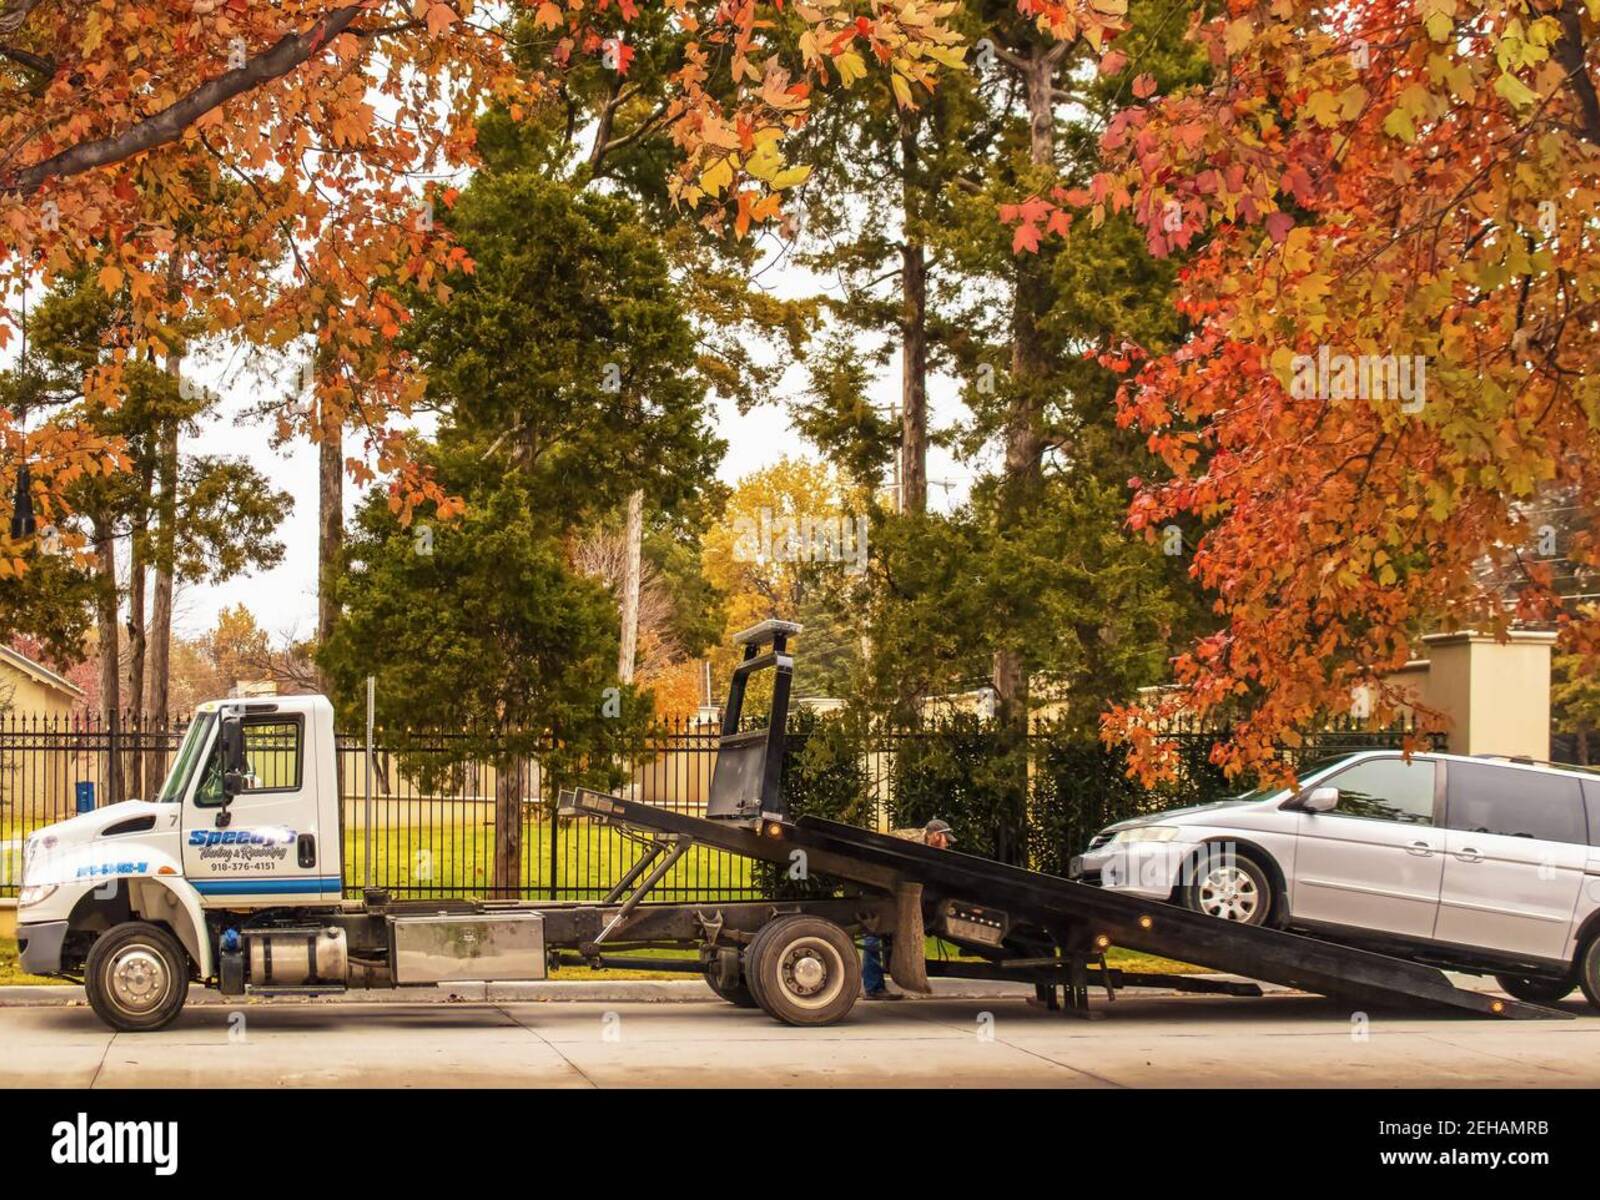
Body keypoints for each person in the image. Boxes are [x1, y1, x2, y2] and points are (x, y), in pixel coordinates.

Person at [862, 818, 956, 1000]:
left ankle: (878, 985)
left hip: (892, 888)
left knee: (888, 933)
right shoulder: (910, 842)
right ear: (937, 836)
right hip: (877, 885)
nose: (947, 845)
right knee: (873, 934)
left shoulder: (927, 847)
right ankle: (873, 988)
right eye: (946, 840)